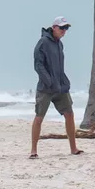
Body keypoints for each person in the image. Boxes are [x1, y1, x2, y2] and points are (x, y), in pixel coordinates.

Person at [30, 16, 82, 158]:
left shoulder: (59, 44)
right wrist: (48, 81)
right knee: (39, 117)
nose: (64, 31)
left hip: (60, 87)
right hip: (46, 88)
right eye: (62, 28)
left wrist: (64, 81)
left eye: (66, 28)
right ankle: (33, 150)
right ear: (54, 27)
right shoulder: (43, 42)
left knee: (69, 114)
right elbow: (38, 65)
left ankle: (73, 148)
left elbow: (59, 66)